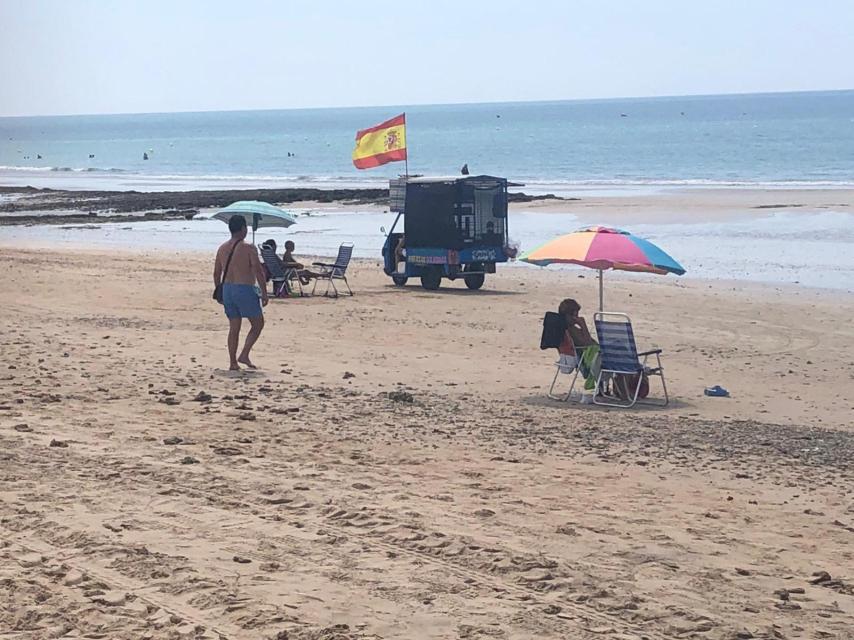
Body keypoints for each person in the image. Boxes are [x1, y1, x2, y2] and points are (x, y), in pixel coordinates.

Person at [213, 215, 268, 370]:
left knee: (234, 326)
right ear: (243, 229)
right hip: (244, 288)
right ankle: (244, 354)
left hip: (228, 290)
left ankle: (232, 362)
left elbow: (216, 273)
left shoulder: (222, 248)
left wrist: (220, 291)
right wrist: (264, 292)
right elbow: (258, 271)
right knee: (258, 324)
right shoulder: (249, 248)